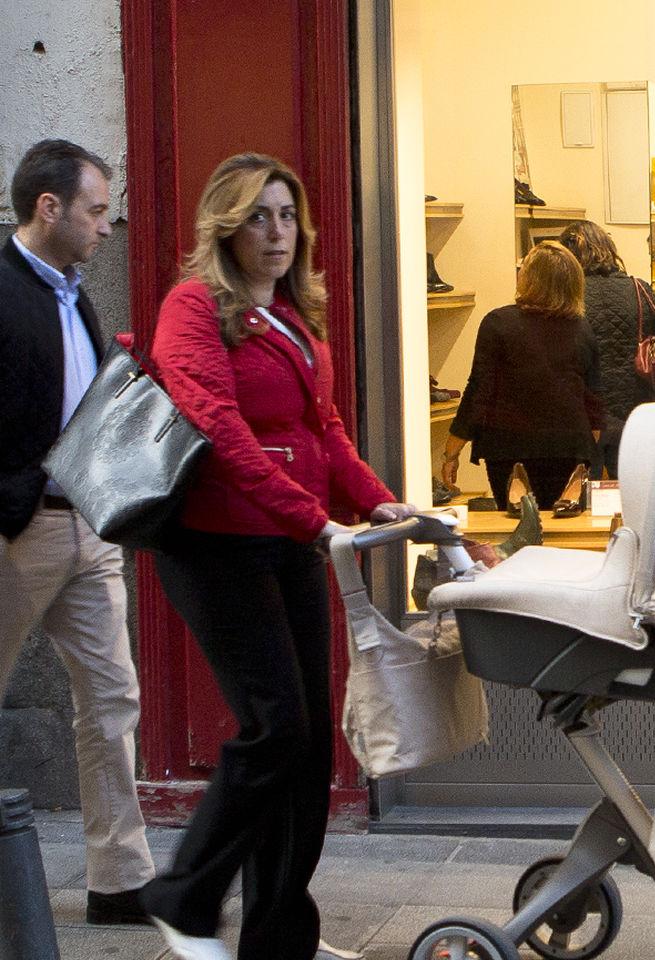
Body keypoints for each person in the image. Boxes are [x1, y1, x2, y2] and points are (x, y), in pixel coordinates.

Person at [140, 153, 415, 960]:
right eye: (258, 216)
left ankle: (278, 936)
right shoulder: (193, 308)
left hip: (292, 543)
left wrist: (376, 500)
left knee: (307, 747)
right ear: (226, 227)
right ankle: (184, 898)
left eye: (287, 215)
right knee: (275, 726)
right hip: (216, 546)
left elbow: (324, 433)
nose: (277, 232)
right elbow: (219, 432)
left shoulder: (295, 313)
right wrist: (316, 520)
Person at [0, 139, 156, 926]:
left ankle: (120, 880)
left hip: (86, 529)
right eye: (95, 210)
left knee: (112, 697)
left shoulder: (77, 295)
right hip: (17, 532)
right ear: (48, 206)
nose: (106, 224)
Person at [440, 241, 602, 508]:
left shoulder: (498, 323)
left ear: (528, 278)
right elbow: (593, 399)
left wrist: (452, 451)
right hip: (569, 445)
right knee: (563, 526)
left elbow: (479, 391)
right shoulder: (582, 328)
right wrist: (589, 450)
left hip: (507, 445)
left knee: (517, 523)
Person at [557, 218, 655, 477]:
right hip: (637, 409)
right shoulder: (638, 288)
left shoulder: (567, 296)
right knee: (634, 490)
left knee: (582, 491)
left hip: (586, 413)